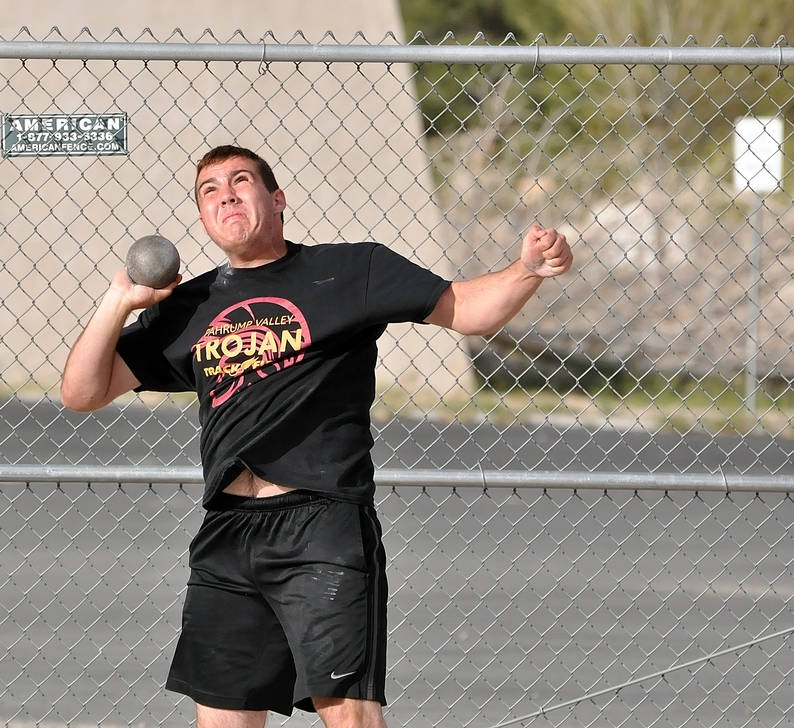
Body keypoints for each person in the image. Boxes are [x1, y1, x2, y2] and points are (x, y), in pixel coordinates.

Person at [61, 144, 573, 728]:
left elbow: (469, 309)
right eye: (209, 190)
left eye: (241, 181)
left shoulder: (351, 271)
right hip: (228, 529)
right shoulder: (189, 308)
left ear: (277, 199)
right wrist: (119, 300)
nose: (226, 195)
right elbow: (82, 392)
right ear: (202, 217)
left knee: (349, 714)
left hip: (322, 523)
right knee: (221, 720)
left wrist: (527, 270)